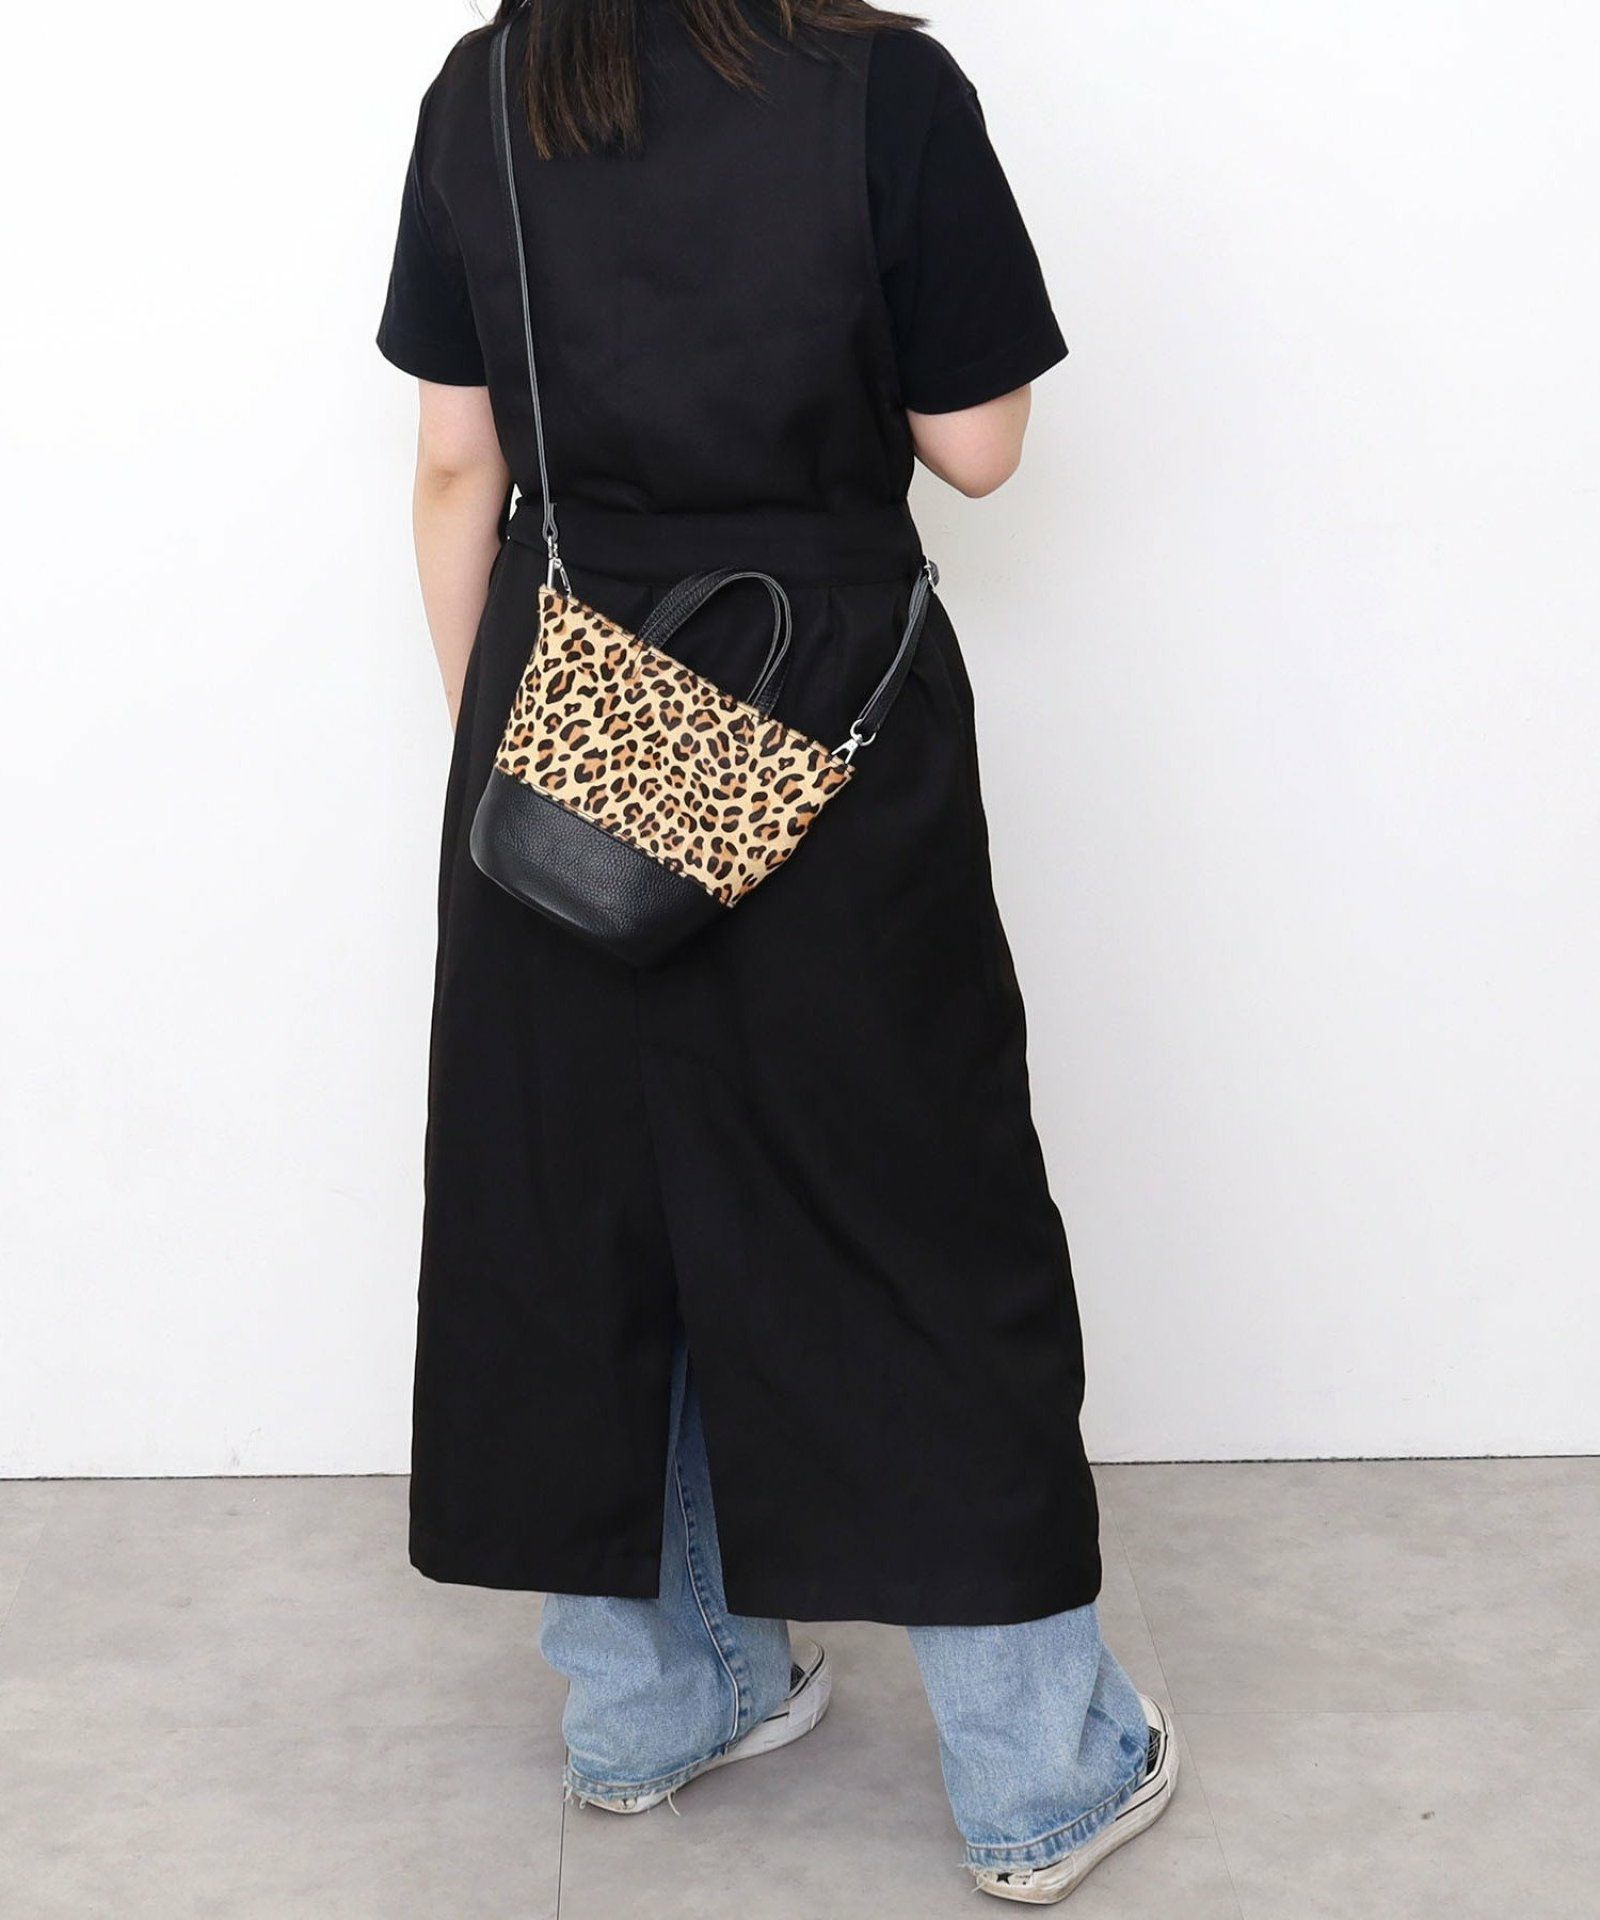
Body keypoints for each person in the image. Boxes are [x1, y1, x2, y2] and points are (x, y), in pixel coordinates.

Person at [378, 0, 1176, 1900]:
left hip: (567, 699)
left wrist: (513, 746)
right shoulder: (883, 84)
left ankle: (653, 1708)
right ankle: (1038, 1775)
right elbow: (977, 448)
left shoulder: (488, 83)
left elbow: (454, 466)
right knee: (915, 1211)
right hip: (822, 690)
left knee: (585, 1212)